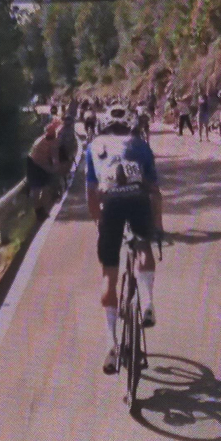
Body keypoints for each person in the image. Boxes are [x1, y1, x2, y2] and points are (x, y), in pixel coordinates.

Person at [87, 106, 163, 377]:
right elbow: (155, 191)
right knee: (143, 245)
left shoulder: (94, 146)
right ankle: (147, 302)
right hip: (138, 199)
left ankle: (111, 342)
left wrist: (100, 225)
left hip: (111, 204)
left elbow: (92, 194)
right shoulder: (140, 145)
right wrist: (158, 227)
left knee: (109, 272)